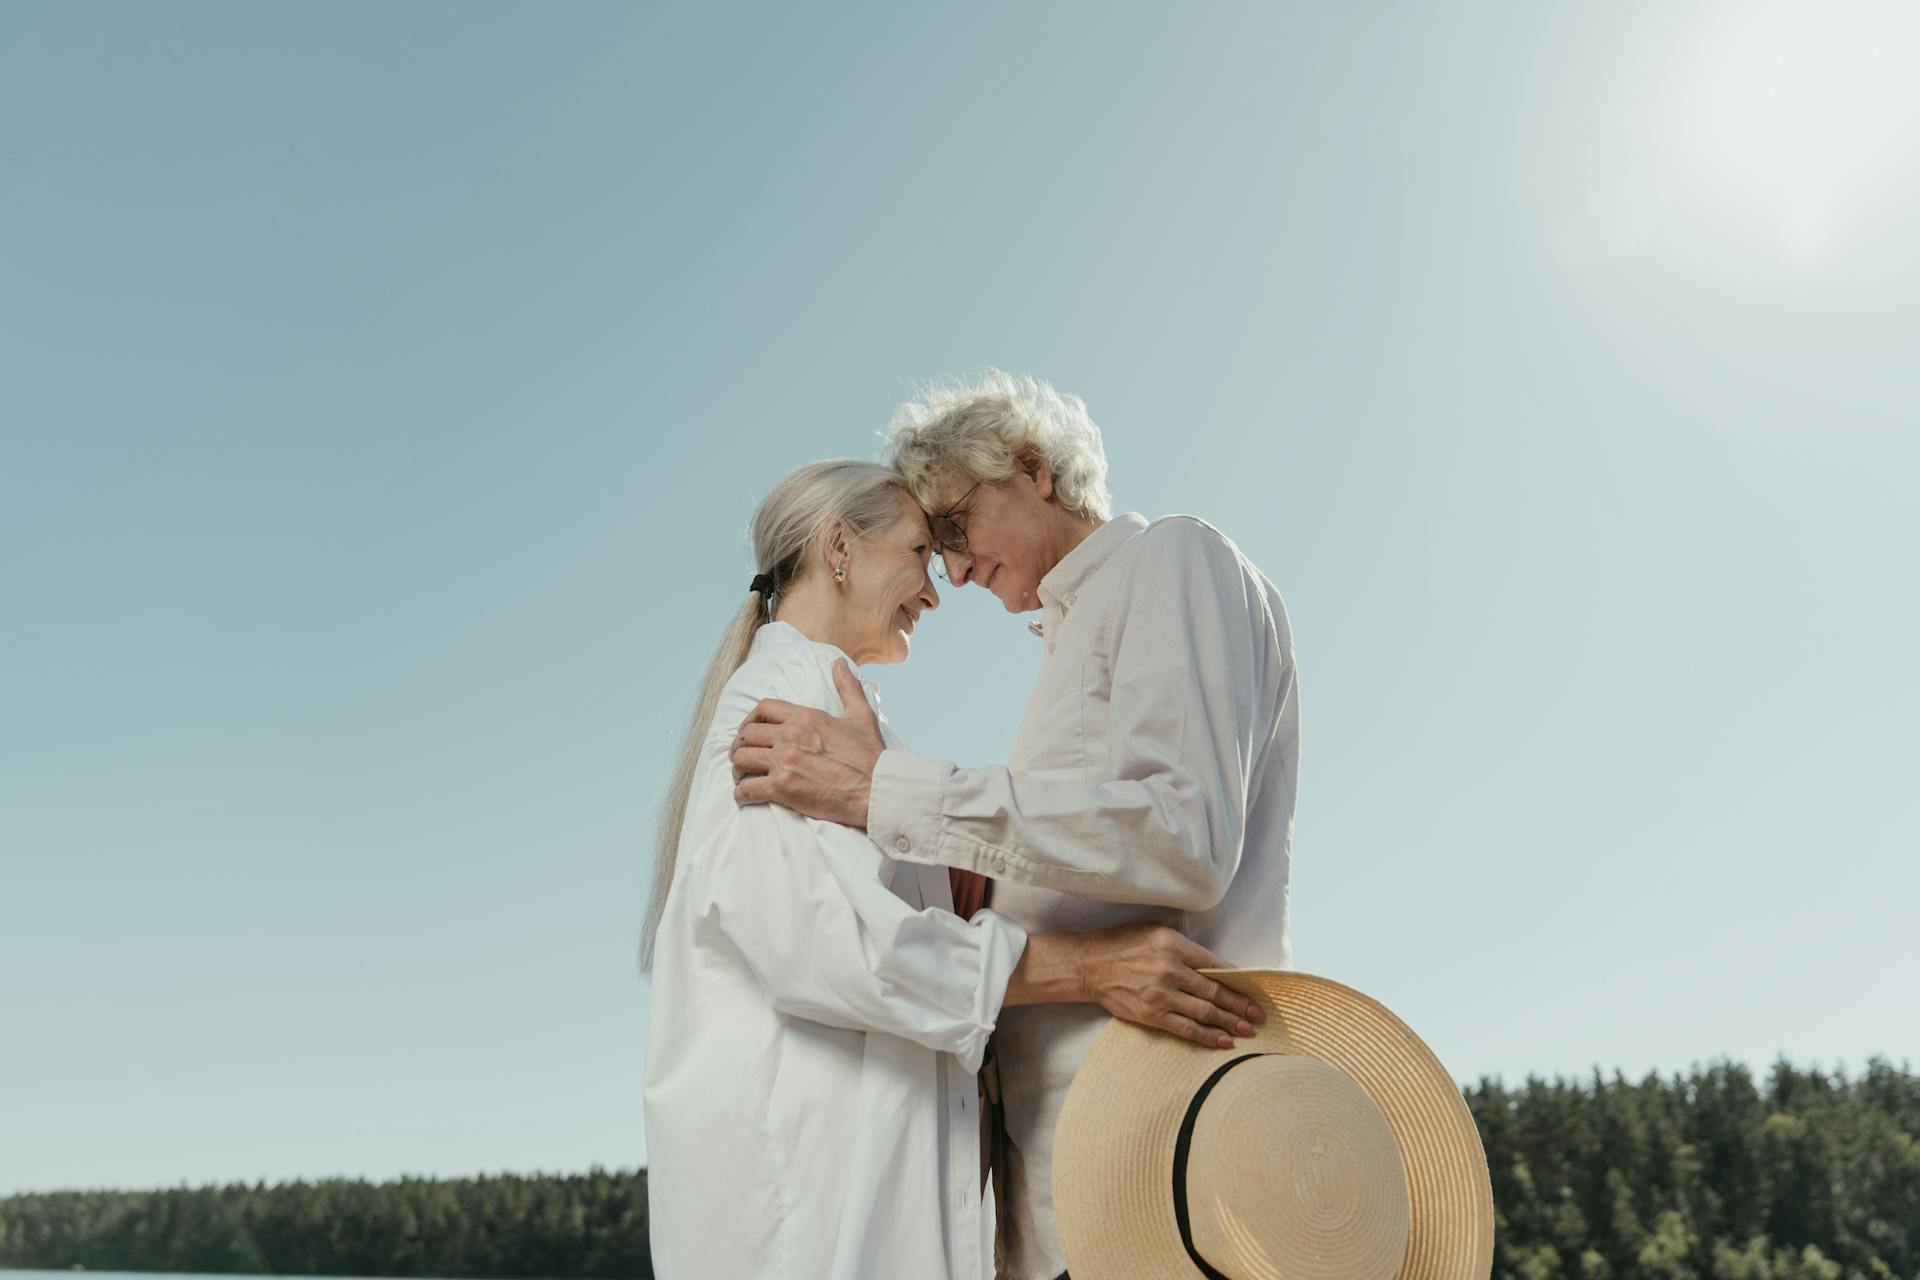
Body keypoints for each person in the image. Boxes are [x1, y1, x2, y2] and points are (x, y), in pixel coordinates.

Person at [731, 374, 1300, 1280]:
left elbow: (1182, 833)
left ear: (1031, 468)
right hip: (1068, 1187)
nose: (949, 571)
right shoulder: (1073, 642)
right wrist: (952, 875)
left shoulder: (1172, 561)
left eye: (952, 528)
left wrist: (889, 790)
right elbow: (1087, 853)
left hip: (1159, 1158)